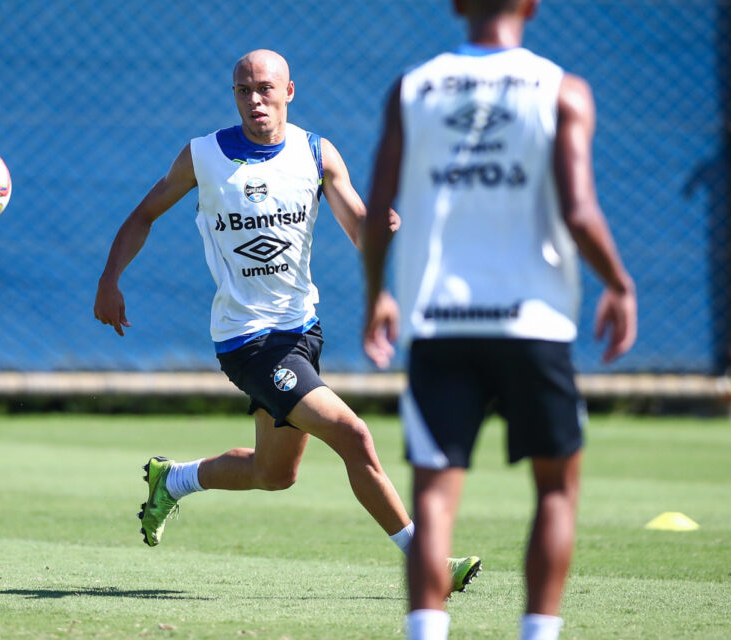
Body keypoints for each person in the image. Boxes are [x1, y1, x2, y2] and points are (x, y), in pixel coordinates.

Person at [94, 49, 482, 591]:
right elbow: (142, 215)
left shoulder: (316, 154)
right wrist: (109, 279)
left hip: (302, 332)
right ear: (234, 96)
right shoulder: (202, 156)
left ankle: (173, 479)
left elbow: (357, 228)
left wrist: (382, 228)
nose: (255, 99)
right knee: (353, 434)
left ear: (289, 91)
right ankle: (426, 564)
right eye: (244, 90)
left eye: (265, 88)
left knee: (273, 474)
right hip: (248, 342)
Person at [360, 2, 637, 639]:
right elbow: (580, 210)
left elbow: (378, 213)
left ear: (457, 5)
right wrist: (619, 283)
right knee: (556, 492)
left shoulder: (412, 89)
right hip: (534, 324)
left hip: (442, 324)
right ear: (532, 5)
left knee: (433, 499)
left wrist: (377, 293)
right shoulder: (563, 90)